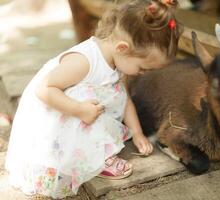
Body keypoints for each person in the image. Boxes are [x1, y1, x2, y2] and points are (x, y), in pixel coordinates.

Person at [5, 0, 183, 198]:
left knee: (108, 95)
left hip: (80, 110)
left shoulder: (118, 61)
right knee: (90, 99)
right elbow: (44, 90)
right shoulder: (84, 61)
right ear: (122, 48)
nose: (142, 74)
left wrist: (138, 133)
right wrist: (79, 109)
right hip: (53, 114)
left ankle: (92, 143)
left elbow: (124, 99)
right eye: (142, 68)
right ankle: (95, 157)